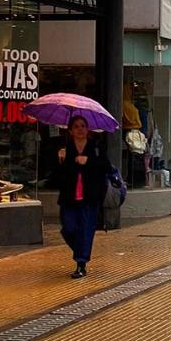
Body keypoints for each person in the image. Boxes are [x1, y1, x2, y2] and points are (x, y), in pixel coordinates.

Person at [56, 116, 111, 279]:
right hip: (69, 197)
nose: (80, 129)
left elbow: (105, 166)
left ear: (87, 129)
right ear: (71, 131)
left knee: (86, 230)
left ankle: (81, 263)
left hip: (90, 197)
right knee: (69, 228)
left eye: (83, 126)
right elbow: (57, 175)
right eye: (76, 126)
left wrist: (88, 161)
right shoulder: (65, 149)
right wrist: (61, 159)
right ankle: (81, 250)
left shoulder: (96, 147)